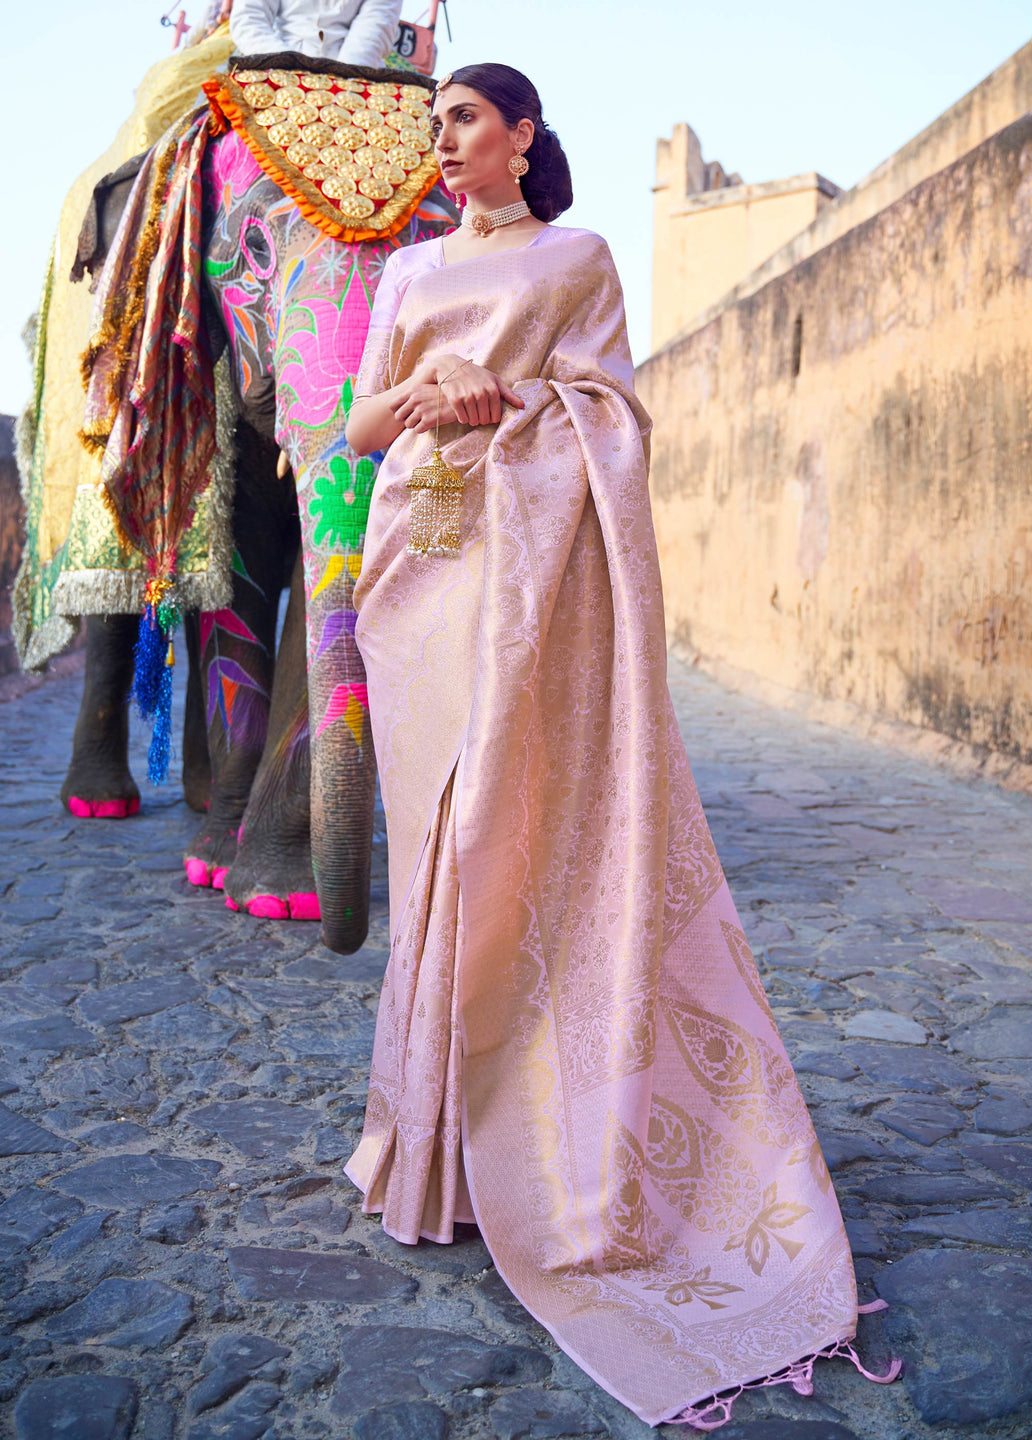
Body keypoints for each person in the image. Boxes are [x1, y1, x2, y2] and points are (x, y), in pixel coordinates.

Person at [343, 63, 898, 1430]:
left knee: (503, 838)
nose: (446, 141)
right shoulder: (408, 275)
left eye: (465, 119)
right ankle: (434, 1161)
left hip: (532, 579)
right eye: (438, 126)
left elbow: (616, 419)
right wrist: (428, 401)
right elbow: (355, 427)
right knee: (432, 856)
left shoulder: (578, 258)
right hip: (426, 571)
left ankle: (544, 1153)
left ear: (522, 134)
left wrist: (512, 400)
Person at [230, 0, 403, 64]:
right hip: (276, 63)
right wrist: (287, 66)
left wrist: (342, 82)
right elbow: (249, 18)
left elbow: (375, 29)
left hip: (355, 76)